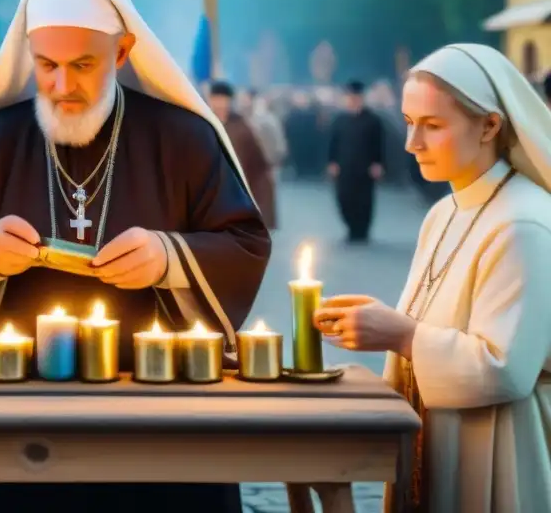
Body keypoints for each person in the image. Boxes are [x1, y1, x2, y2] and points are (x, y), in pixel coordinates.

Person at [0, 0, 271, 513]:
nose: (60, 85)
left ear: (122, 54)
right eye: (46, 65)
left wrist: (168, 259)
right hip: (14, 406)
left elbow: (244, 241)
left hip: (157, 408)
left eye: (83, 65)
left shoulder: (183, 138)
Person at [314, 44, 551, 513]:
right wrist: (383, 322)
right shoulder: (444, 211)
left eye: (433, 126)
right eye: (408, 122)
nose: (411, 143)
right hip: (436, 430)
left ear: (489, 126)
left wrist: (401, 334)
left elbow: (506, 369)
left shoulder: (523, 223)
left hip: (498, 443)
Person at [209, 81, 277, 230]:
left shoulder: (241, 126)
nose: (219, 104)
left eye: (223, 99)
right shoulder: (202, 123)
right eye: (216, 99)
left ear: (229, 101)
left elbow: (257, 165)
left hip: (236, 192)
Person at [328, 80, 385, 242]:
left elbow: (378, 144)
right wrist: (332, 162)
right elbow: (333, 143)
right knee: (344, 197)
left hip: (365, 168)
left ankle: (361, 230)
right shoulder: (340, 120)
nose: (352, 100)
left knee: (364, 200)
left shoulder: (373, 120)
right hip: (344, 166)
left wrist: (378, 163)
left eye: (356, 97)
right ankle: (350, 226)